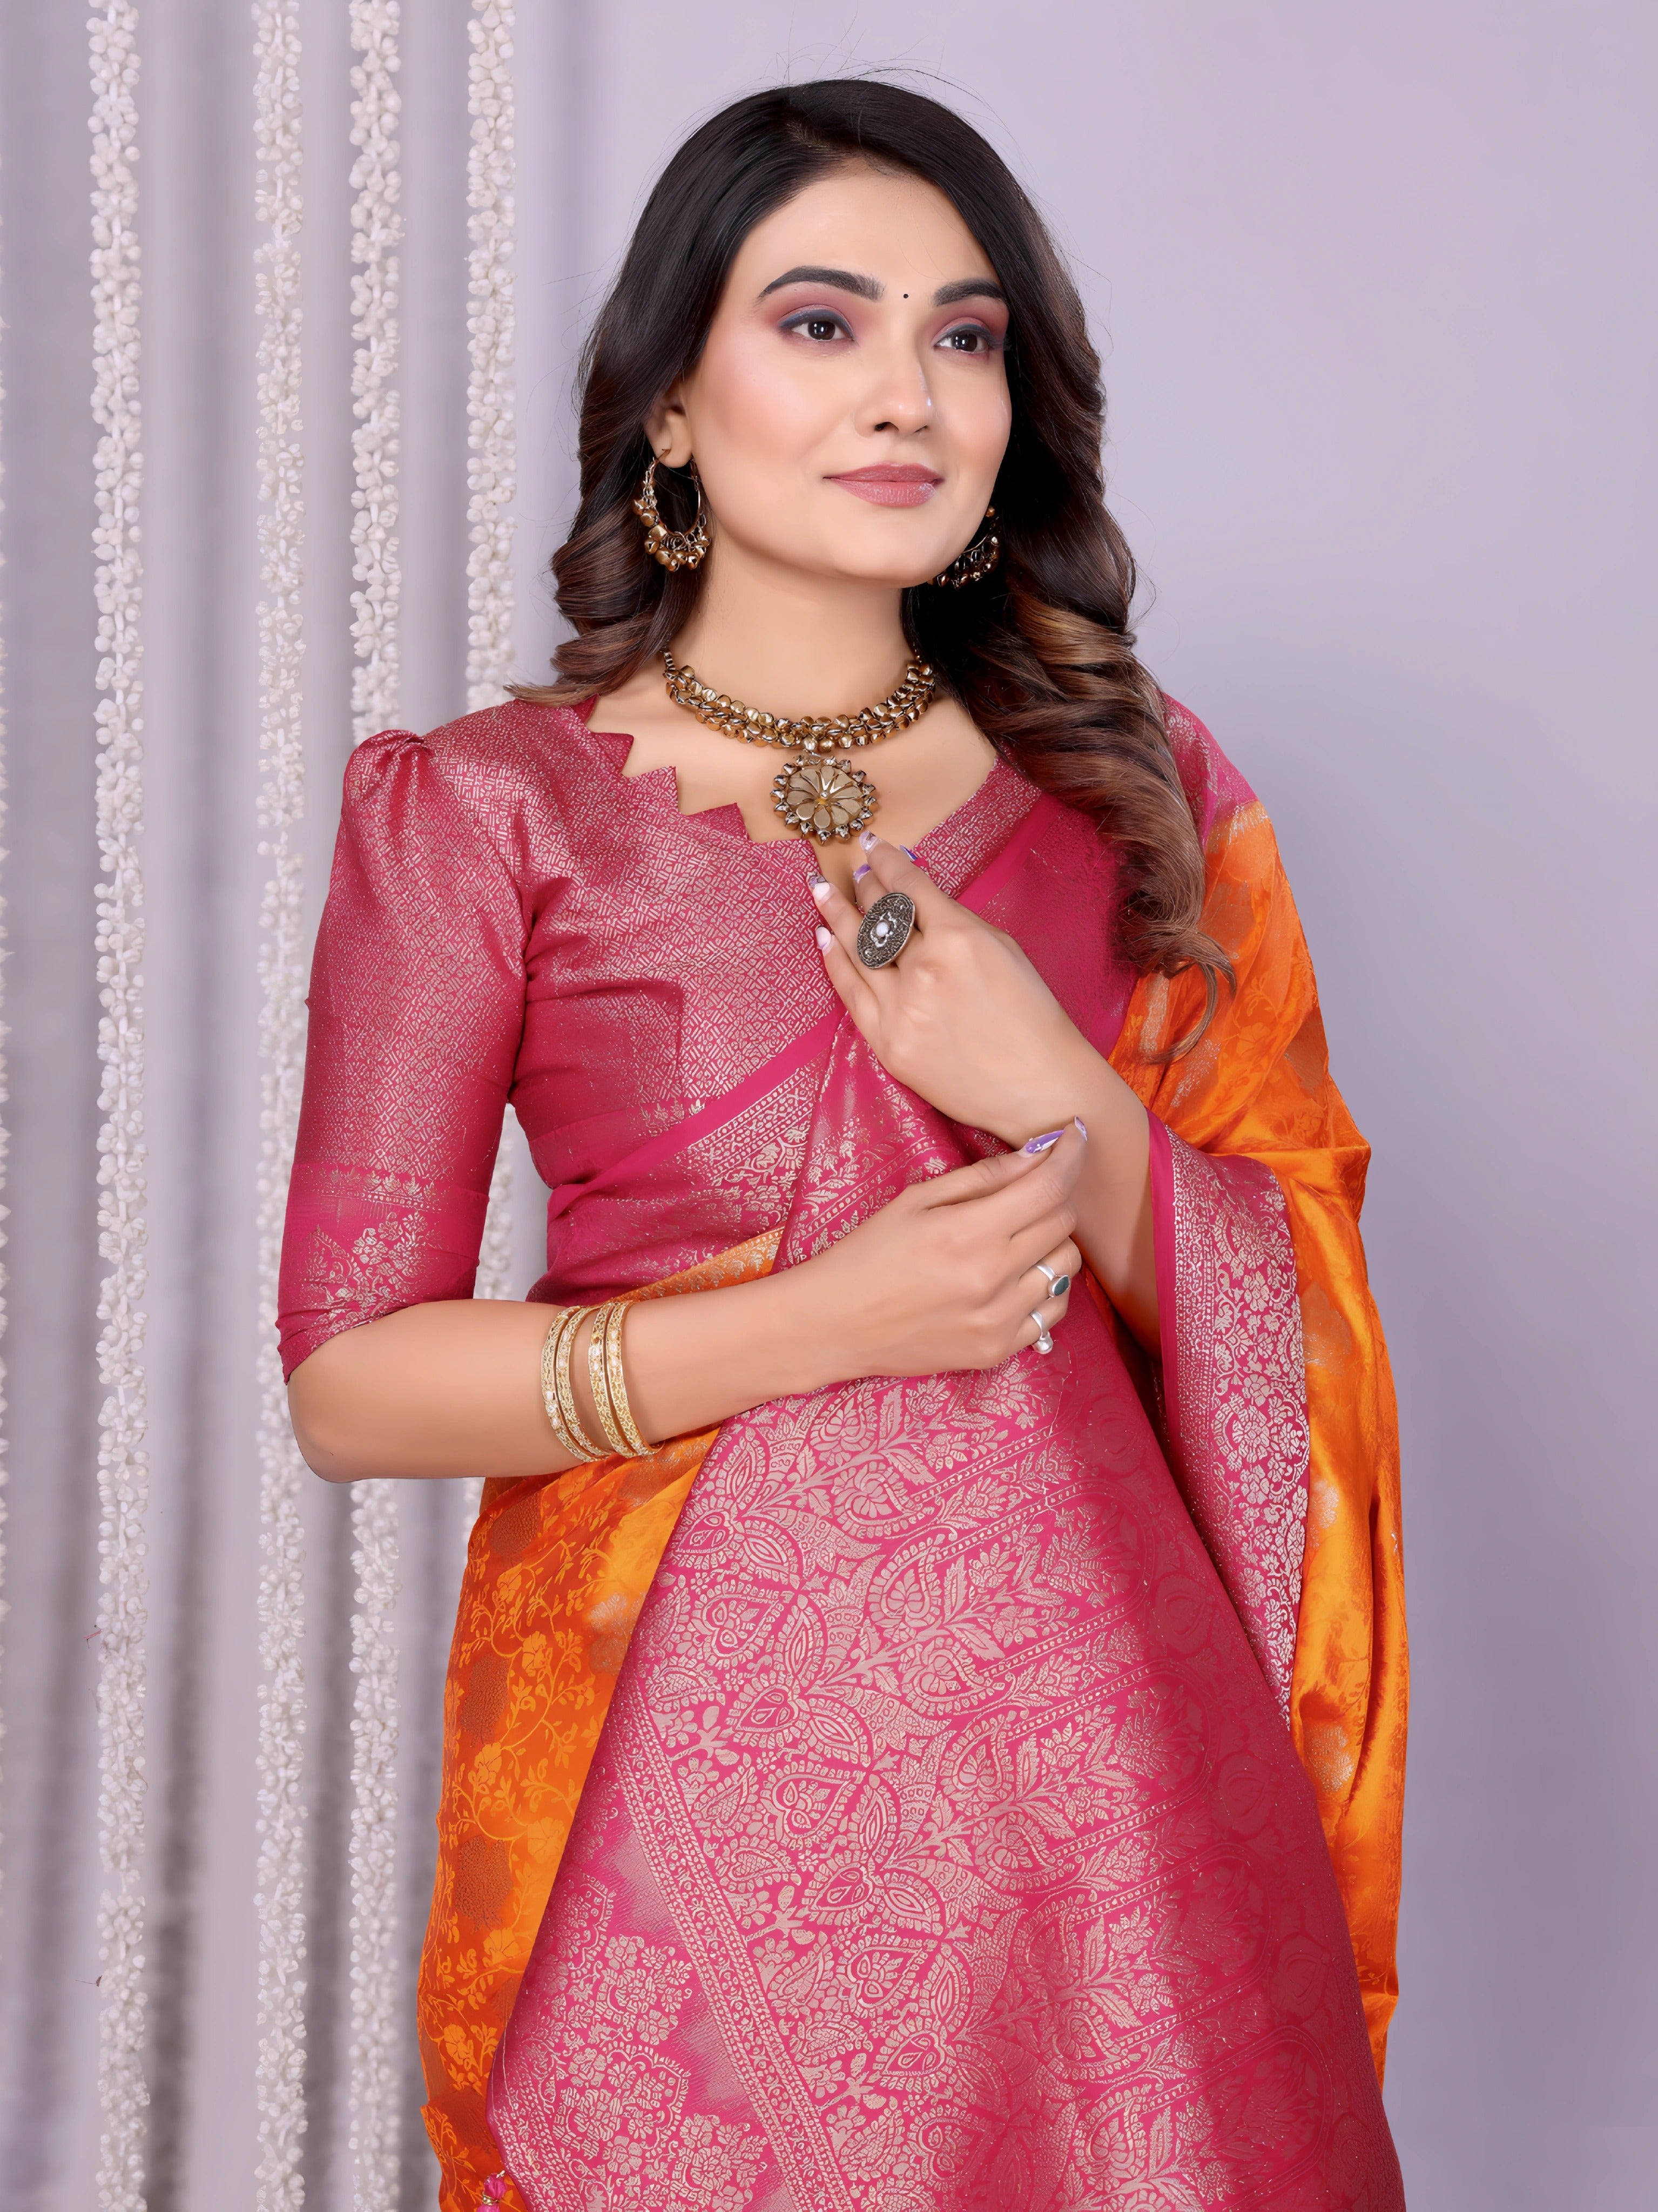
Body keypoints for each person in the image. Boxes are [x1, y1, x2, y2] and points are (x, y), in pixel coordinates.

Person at [280, 78, 1406, 2212]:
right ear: (670, 408)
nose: (910, 391)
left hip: (1114, 1841)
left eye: (964, 336)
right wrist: (823, 1319)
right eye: (822, 323)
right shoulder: (485, 811)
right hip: (671, 1833)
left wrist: (1061, 1104)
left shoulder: (1143, 789)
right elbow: (350, 1379)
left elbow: (1307, 1294)